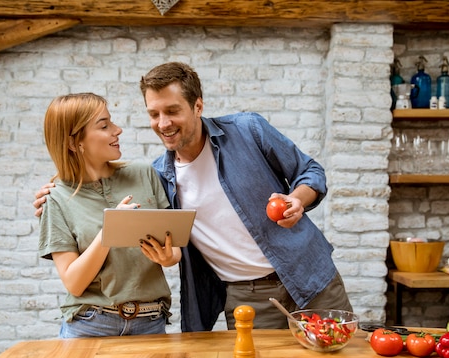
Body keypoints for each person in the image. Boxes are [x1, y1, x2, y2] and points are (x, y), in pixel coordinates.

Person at [35, 63, 352, 332]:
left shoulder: (248, 130)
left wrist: (297, 197)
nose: (163, 123)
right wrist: (56, 189)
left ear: (198, 106)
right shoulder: (158, 176)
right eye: (154, 113)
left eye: (172, 111)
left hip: (310, 276)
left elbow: (310, 171)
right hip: (247, 298)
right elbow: (107, 186)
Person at [38, 92, 181, 338]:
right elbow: (74, 282)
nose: (118, 130)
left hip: (151, 322)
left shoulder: (144, 174)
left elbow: (174, 250)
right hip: (90, 325)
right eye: (105, 126)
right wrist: (111, 229)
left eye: (111, 122)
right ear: (74, 143)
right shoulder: (56, 198)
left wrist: (168, 256)